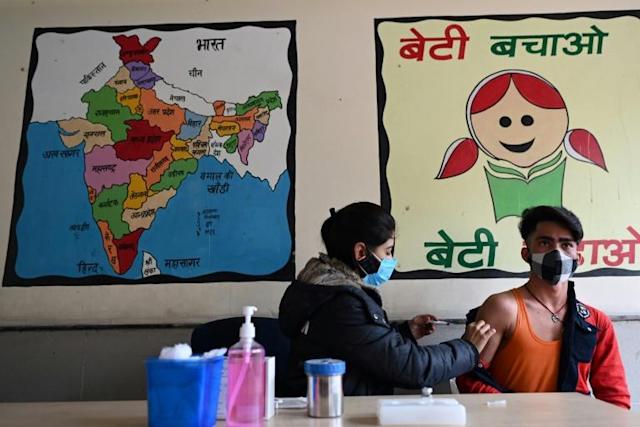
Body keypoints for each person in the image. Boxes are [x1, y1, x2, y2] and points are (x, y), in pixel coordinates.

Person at [278, 201, 496, 396]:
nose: (391, 260)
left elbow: (358, 345)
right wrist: (468, 348)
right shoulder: (342, 303)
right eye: (388, 251)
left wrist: (405, 332)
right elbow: (411, 368)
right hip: (333, 412)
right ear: (361, 252)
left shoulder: (321, 289)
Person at [456, 205, 630, 409]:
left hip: (575, 422)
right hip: (510, 422)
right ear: (526, 253)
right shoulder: (503, 308)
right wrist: (515, 411)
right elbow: (470, 377)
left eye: (566, 244)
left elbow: (614, 397)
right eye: (545, 242)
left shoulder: (595, 322)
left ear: (578, 258)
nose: (556, 252)